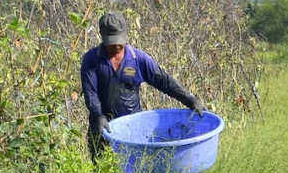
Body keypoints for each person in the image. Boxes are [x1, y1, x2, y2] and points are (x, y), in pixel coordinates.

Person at [79, 11, 205, 161]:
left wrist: (190, 100)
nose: (117, 46)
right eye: (111, 42)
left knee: (137, 172)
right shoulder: (92, 60)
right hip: (102, 127)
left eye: (119, 40)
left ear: (125, 33)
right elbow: (90, 93)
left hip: (133, 128)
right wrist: (99, 116)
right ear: (102, 36)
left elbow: (164, 81)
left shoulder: (139, 59)